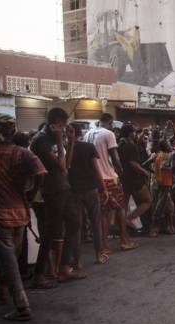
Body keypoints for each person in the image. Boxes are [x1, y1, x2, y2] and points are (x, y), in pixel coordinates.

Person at [0, 113, 45, 321]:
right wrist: (31, 193)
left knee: (9, 261)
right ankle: (3, 292)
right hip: (20, 213)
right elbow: (41, 173)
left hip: (0, 215)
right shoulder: (22, 153)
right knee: (11, 259)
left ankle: (22, 305)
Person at [84, 113, 138, 254]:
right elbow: (115, 157)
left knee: (104, 212)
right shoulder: (108, 134)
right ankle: (124, 241)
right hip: (109, 177)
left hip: (95, 178)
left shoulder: (88, 134)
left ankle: (104, 245)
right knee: (119, 207)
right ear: (110, 122)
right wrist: (120, 172)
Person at [30, 108, 71, 288]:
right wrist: (61, 142)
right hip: (50, 191)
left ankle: (63, 268)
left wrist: (72, 141)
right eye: (62, 125)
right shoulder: (42, 140)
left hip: (61, 188)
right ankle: (40, 273)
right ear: (54, 122)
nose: (63, 129)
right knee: (49, 232)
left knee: (70, 224)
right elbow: (61, 167)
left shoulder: (51, 139)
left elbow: (67, 165)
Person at [64, 123, 108, 269]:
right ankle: (99, 254)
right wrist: (104, 188)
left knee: (77, 226)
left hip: (73, 190)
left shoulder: (65, 148)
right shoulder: (88, 147)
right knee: (95, 222)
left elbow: (65, 168)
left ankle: (77, 260)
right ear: (80, 133)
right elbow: (96, 169)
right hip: (90, 188)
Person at [119, 124, 152, 234]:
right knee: (147, 201)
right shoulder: (131, 146)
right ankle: (129, 218)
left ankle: (123, 230)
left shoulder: (120, 144)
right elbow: (133, 163)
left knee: (123, 206)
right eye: (133, 132)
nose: (135, 134)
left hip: (124, 178)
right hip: (134, 178)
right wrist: (144, 172)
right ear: (130, 133)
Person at [151, 140, 175, 236]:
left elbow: (146, 164)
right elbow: (164, 167)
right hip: (164, 182)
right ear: (166, 146)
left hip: (156, 182)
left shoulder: (157, 155)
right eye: (169, 145)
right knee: (160, 206)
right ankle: (155, 227)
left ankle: (169, 227)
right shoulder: (168, 155)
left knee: (165, 205)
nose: (170, 146)